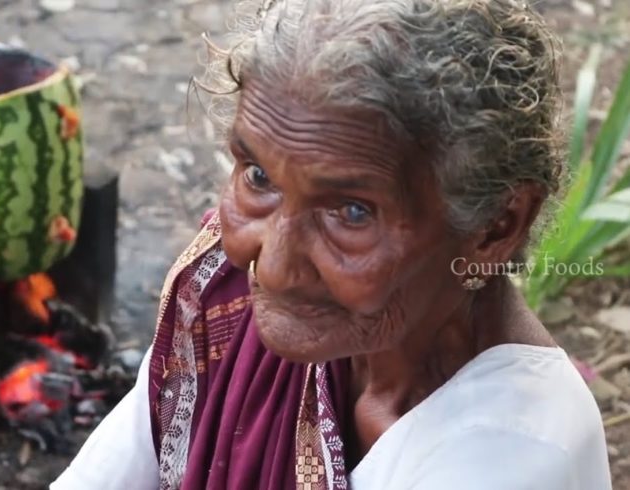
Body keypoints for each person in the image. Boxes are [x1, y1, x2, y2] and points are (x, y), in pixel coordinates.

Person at [52, 0, 613, 488]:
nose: (270, 268)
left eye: (351, 212)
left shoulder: (511, 458)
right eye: (258, 178)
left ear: (497, 225)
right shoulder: (229, 307)